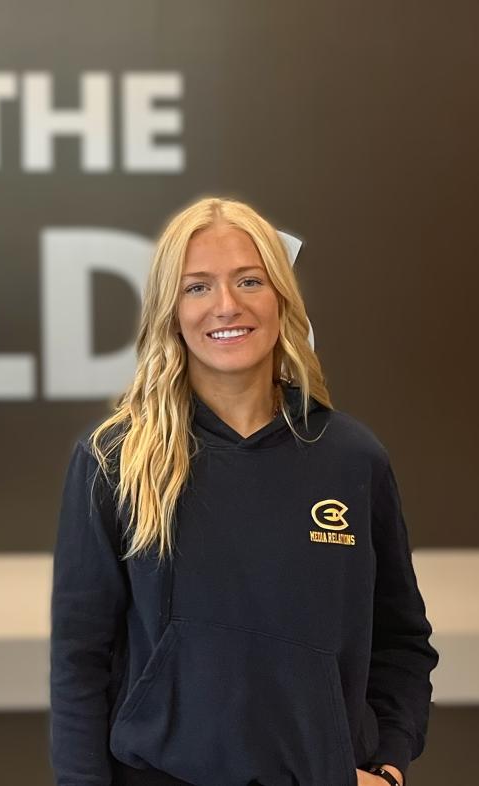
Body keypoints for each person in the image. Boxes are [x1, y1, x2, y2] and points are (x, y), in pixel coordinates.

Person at [48, 197, 439, 786]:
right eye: (197, 287)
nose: (226, 306)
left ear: (282, 298)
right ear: (170, 311)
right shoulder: (116, 460)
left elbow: (402, 643)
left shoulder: (352, 459)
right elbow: (80, 663)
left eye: (249, 280)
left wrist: (386, 769)